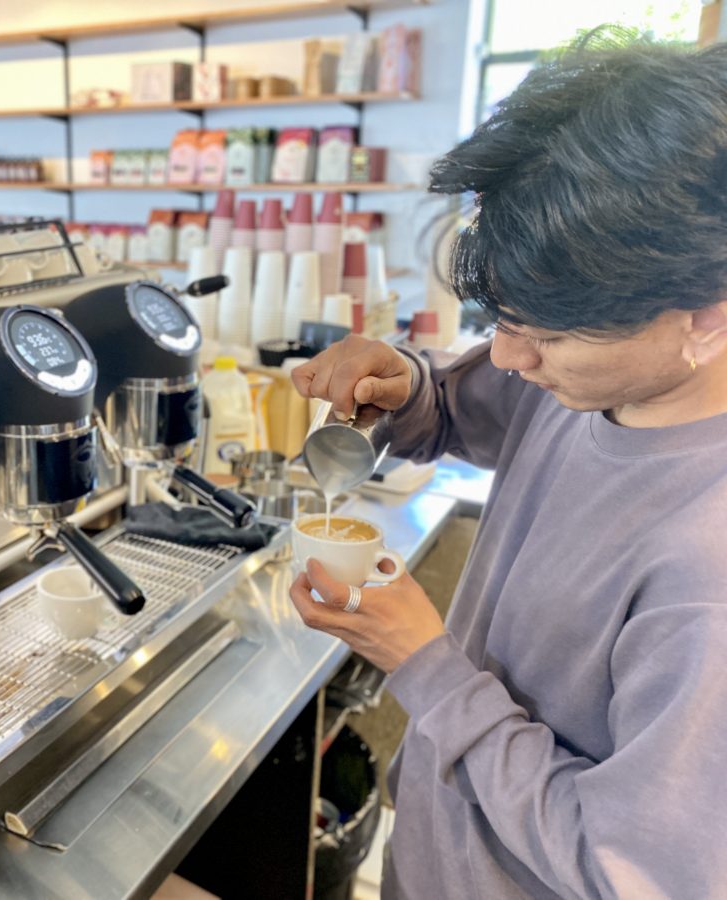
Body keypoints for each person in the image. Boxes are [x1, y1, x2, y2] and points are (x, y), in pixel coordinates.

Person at [288, 31, 727, 899]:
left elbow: (628, 872)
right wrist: (407, 388)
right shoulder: (585, 381)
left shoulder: (704, 571)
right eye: (504, 319)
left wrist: (425, 663)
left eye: (551, 332)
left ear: (705, 319)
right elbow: (465, 404)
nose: (511, 357)